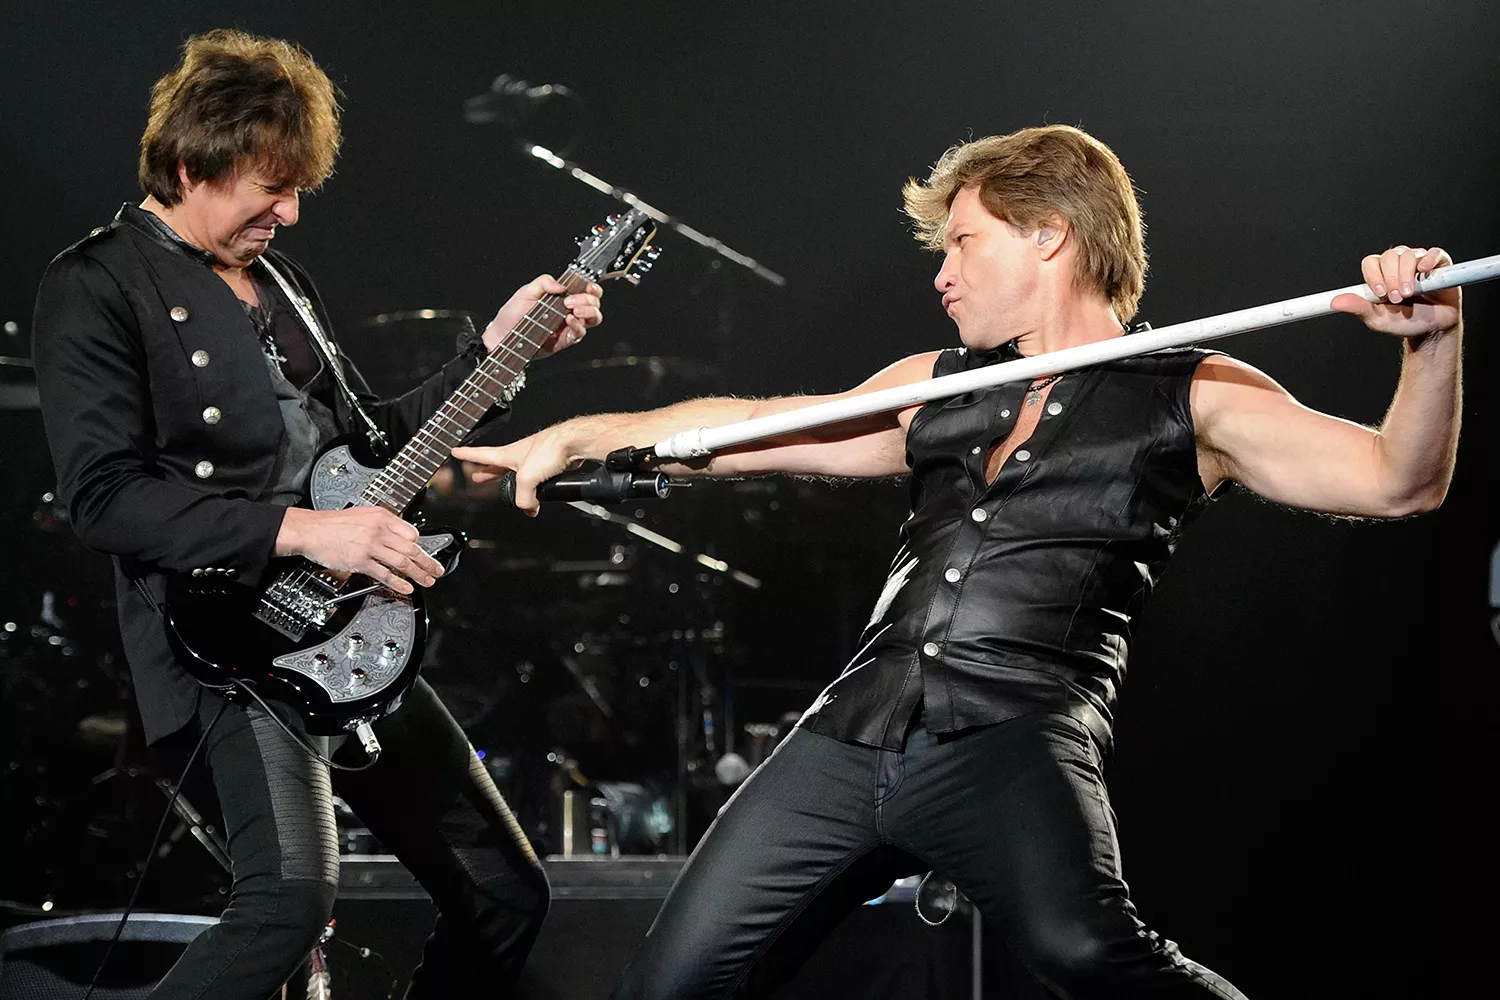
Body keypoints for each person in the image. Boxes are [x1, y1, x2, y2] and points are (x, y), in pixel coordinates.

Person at [452, 124, 1462, 998]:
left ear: (1048, 234)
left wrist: (1427, 346)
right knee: (666, 986)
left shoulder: (1194, 390)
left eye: (963, 243)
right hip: (847, 734)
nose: (942, 272)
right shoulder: (937, 382)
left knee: (1084, 952)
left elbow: (1396, 479)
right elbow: (754, 425)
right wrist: (582, 434)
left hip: (1015, 737)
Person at [30, 29, 603, 1000]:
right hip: (223, 648)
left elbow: (376, 449)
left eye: (299, 188)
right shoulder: (97, 285)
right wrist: (301, 532)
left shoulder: (287, 285)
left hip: (350, 638)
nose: (289, 212)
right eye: (269, 188)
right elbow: (103, 497)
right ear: (187, 164)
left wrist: (498, 354)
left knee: (504, 889)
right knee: (289, 899)